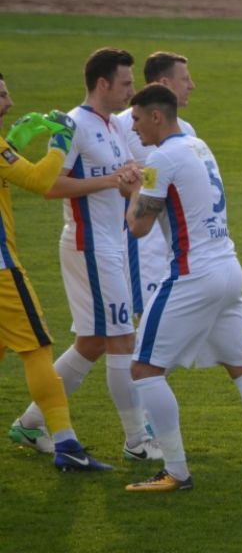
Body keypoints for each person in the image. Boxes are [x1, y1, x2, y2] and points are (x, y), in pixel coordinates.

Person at [121, 85, 242, 491]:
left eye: (137, 119)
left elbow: (138, 225)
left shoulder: (160, 158)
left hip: (192, 274)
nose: (133, 127)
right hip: (228, 269)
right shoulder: (198, 145)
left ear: (156, 117)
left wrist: (132, 191)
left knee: (144, 369)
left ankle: (177, 472)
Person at [11, 48, 160, 462]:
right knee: (122, 338)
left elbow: (118, 178)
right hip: (89, 246)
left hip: (114, 243)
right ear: (103, 83)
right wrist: (110, 180)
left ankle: (30, 422)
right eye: (126, 83)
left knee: (93, 342)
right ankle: (137, 440)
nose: (131, 91)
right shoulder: (74, 125)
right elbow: (51, 185)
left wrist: (131, 179)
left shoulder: (113, 125)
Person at [1, 74, 113, 472]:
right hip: (2, 273)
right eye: (1, 95)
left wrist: (13, 146)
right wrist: (60, 143)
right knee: (37, 350)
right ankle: (66, 444)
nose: (10, 102)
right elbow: (39, 180)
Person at [113, 51, 197, 319]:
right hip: (141, 241)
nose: (192, 85)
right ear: (164, 83)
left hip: (175, 239)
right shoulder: (122, 125)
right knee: (148, 318)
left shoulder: (187, 131)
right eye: (185, 79)